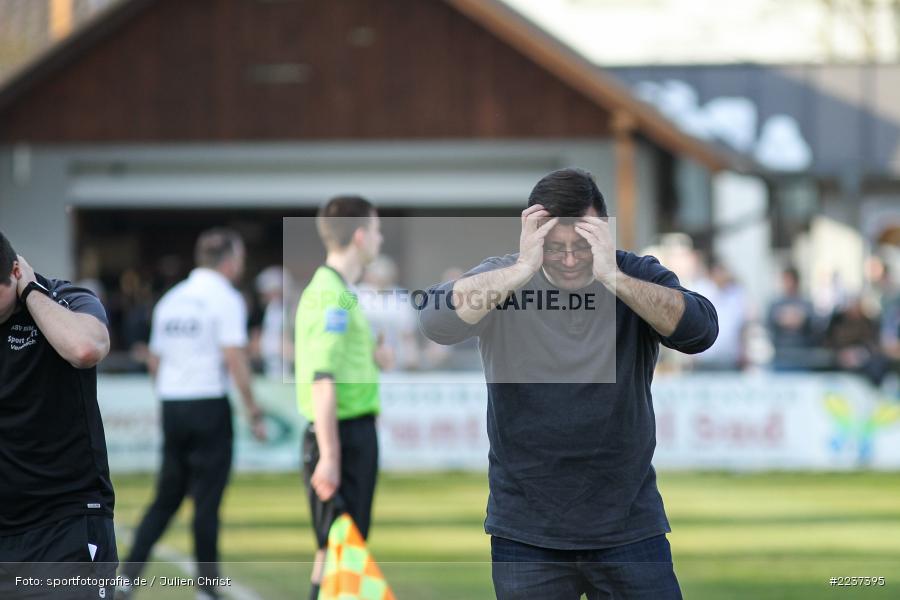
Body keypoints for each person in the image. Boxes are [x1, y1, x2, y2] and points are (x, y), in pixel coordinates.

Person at [418, 168, 718, 600]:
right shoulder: (504, 278)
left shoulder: (633, 273)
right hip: (527, 528)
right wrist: (523, 266)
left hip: (628, 523)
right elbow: (434, 321)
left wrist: (613, 276)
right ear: (533, 235)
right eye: (555, 247)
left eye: (582, 244)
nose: (572, 259)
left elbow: (700, 330)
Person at [117, 228, 266, 600]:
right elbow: (235, 357)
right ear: (230, 261)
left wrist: (168, 396)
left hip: (174, 403)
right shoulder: (226, 298)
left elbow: (155, 359)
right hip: (208, 402)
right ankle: (207, 586)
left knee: (166, 497)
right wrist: (252, 409)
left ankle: (126, 579)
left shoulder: (172, 298)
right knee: (207, 500)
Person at [0, 231, 118, 599]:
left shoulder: (65, 298)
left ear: (16, 272)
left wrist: (32, 293)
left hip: (66, 524)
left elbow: (85, 348)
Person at [294, 196, 392, 600]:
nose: (381, 238)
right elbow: (322, 378)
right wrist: (331, 456)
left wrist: (374, 354)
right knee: (342, 550)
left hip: (350, 434)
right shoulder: (331, 296)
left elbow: (343, 362)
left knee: (333, 550)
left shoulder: (342, 292)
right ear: (359, 235)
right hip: (341, 438)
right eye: (377, 229)